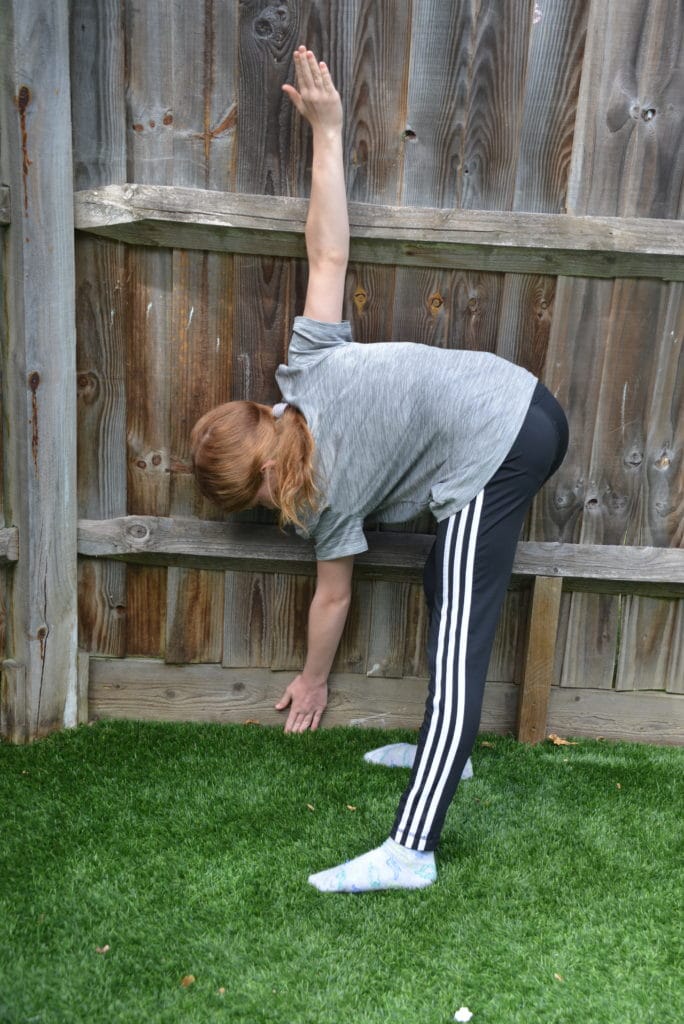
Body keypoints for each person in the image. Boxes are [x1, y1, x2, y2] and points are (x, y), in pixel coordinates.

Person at [191, 47, 569, 893]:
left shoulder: (316, 499)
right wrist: (327, 132)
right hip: (517, 403)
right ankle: (449, 751)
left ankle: (412, 849)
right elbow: (327, 256)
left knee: (459, 639)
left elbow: (333, 596)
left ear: (258, 486)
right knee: (447, 580)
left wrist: (312, 679)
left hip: (504, 438)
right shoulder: (305, 372)